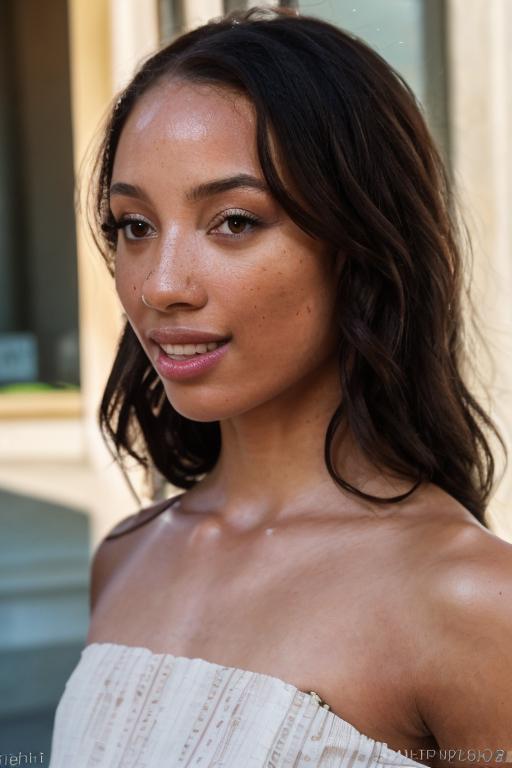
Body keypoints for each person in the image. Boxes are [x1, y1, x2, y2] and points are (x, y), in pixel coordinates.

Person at [49, 6, 512, 767]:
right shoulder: (126, 559)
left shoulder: (469, 601)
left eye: (232, 221)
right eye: (134, 225)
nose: (161, 286)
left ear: (358, 243)